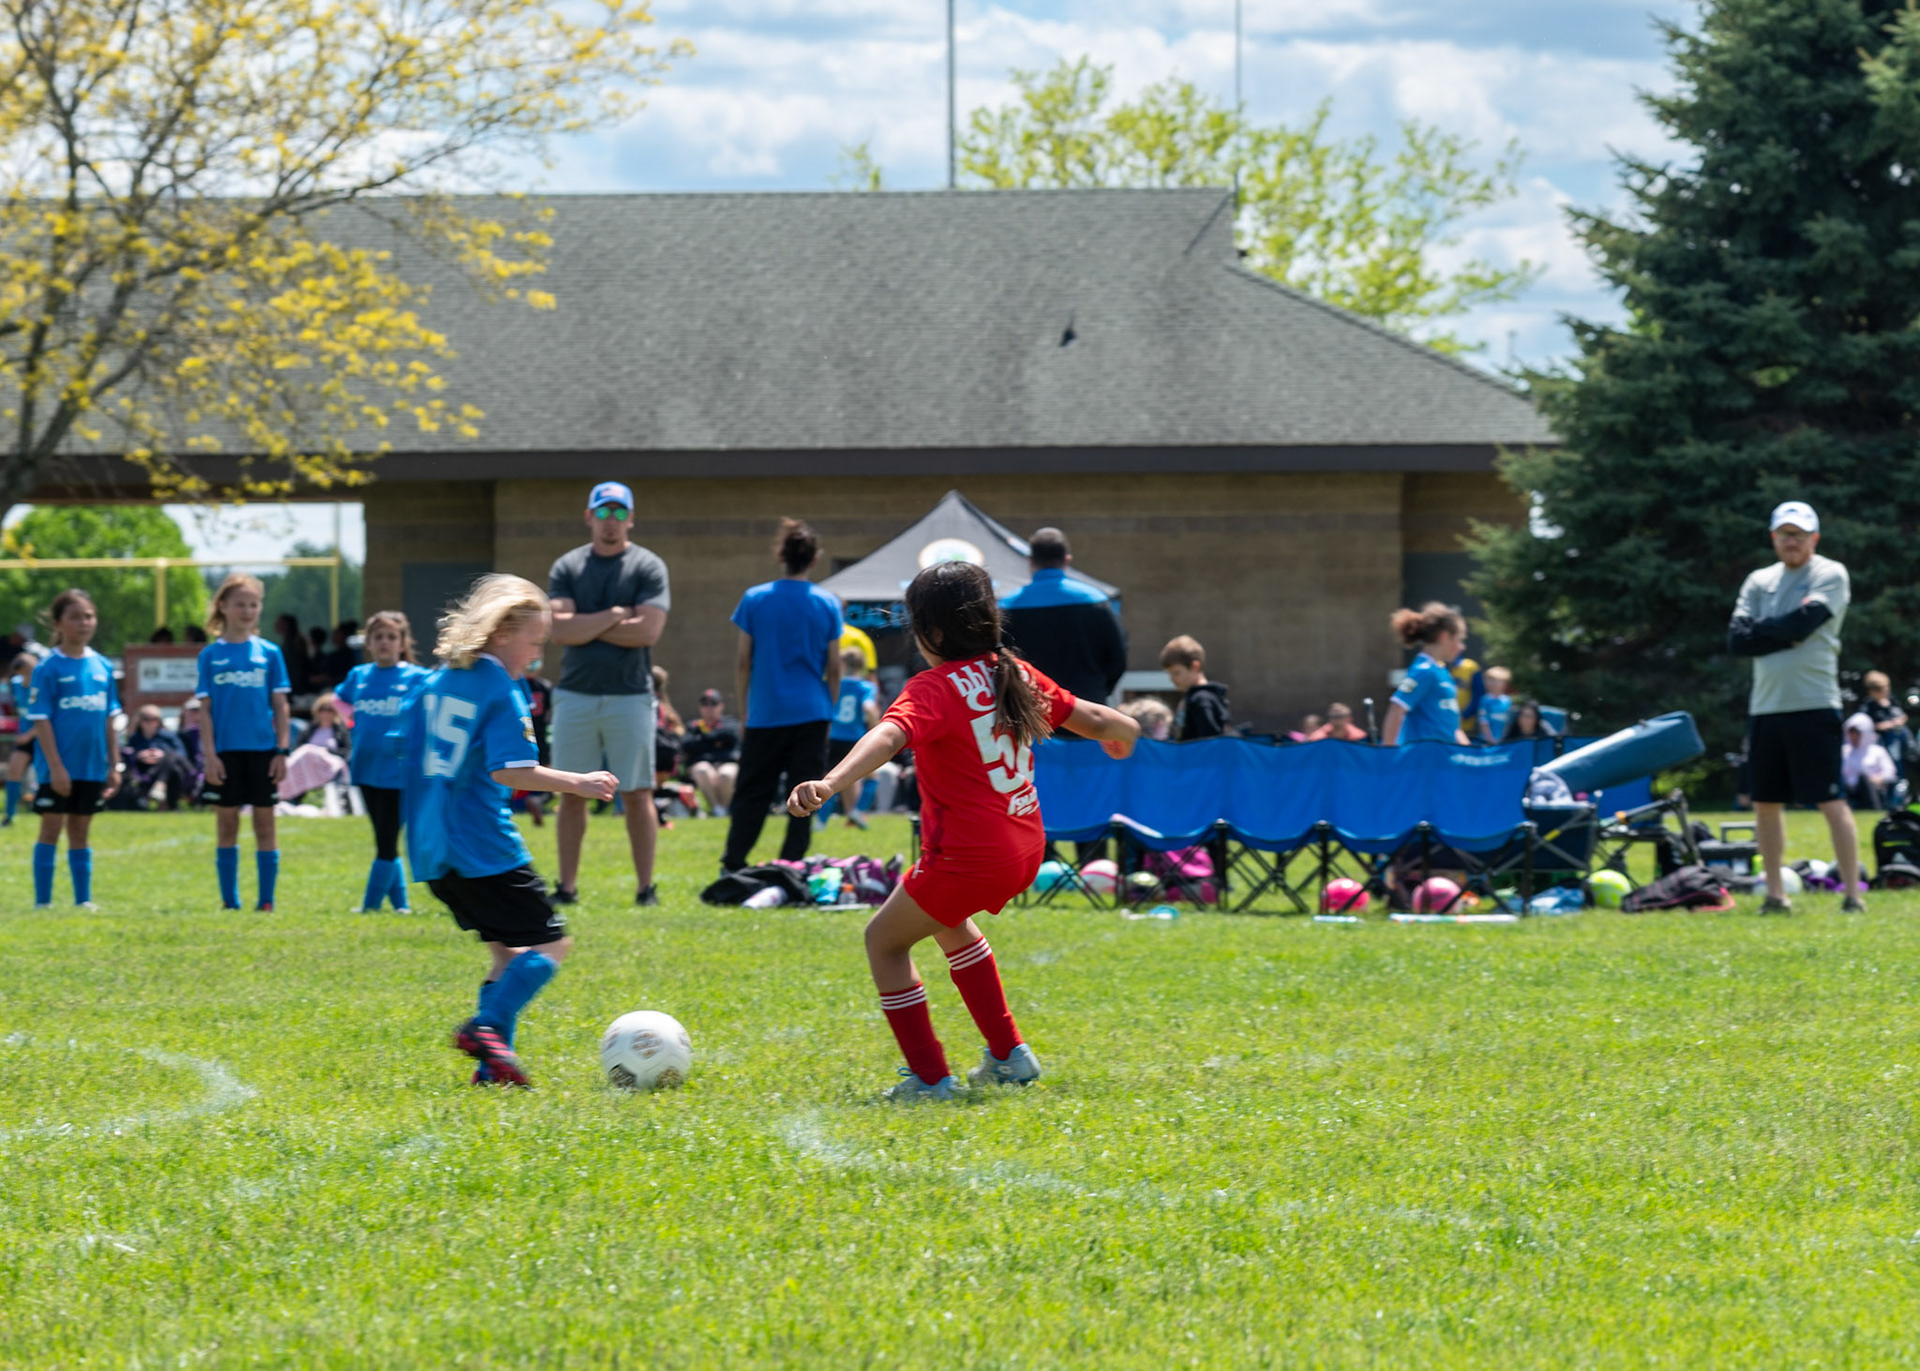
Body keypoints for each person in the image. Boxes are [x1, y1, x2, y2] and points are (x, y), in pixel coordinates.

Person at [787, 560, 1140, 1099]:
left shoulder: (934, 687)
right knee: (949, 923)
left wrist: (830, 782)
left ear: (929, 633)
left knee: (883, 941)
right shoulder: (1013, 671)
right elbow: (1091, 719)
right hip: (1024, 847)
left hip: (971, 857)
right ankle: (1009, 1056)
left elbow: (886, 738)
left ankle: (930, 1079)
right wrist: (1126, 729)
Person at [400, 574, 618, 1088]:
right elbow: (509, 770)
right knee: (552, 944)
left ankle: (491, 1070)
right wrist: (577, 782)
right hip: (483, 845)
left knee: (506, 952)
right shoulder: (501, 686)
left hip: (433, 846)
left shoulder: (436, 682)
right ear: (501, 634)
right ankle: (487, 1028)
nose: (537, 656)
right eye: (534, 642)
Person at [1728, 500, 1862, 913]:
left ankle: (1854, 895)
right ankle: (1775, 894)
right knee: (1766, 801)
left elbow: (1805, 624)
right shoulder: (1758, 580)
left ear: (1814, 538)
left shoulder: (1829, 573)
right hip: (1766, 707)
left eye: (1799, 535)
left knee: (1830, 800)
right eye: (1785, 534)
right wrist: (1784, 632)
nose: (1792, 541)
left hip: (1814, 703)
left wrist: (1770, 632)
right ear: (1773, 538)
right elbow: (1737, 640)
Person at [546, 479, 672, 906]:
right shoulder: (567, 567)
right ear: (589, 517)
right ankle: (566, 888)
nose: (611, 521)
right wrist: (619, 615)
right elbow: (559, 630)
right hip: (575, 694)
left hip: (630, 696)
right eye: (604, 512)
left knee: (637, 792)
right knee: (571, 792)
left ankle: (645, 888)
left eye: (620, 513)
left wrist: (587, 625)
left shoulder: (648, 567)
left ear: (631, 519)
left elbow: (649, 631)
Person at [722, 518, 842, 872]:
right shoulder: (828, 603)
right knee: (806, 794)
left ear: (780, 556)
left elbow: (744, 661)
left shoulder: (755, 598)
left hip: (766, 711)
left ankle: (733, 862)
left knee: (753, 791)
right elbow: (834, 668)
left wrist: (745, 711)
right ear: (814, 559)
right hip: (812, 711)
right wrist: (829, 709)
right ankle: (791, 863)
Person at [199, 574, 293, 911]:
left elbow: (281, 706)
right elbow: (205, 711)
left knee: (265, 825)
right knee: (227, 825)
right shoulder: (210, 655)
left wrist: (282, 751)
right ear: (223, 606)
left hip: (263, 753)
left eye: (253, 604)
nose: (247, 610)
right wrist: (210, 755)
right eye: (240, 604)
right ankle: (230, 902)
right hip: (225, 754)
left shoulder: (269, 653)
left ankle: (266, 902)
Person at [25, 589, 120, 908]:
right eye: (75, 617)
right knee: (51, 826)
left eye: (89, 616)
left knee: (81, 828)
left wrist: (114, 764)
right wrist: (55, 767)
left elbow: (109, 718)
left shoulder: (103, 666)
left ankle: (83, 901)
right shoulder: (47, 667)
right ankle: (43, 902)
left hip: (92, 765)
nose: (84, 623)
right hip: (59, 766)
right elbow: (41, 720)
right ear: (58, 623)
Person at [336, 610, 430, 912]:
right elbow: (338, 701)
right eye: (378, 637)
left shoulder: (417, 677)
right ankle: (400, 905)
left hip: (398, 770)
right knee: (383, 836)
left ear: (403, 642)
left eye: (392, 637)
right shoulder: (358, 676)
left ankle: (371, 905)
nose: (385, 642)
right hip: (365, 766)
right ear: (369, 642)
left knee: (387, 839)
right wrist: (353, 724)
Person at [999, 527, 1127, 706]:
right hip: (1087, 710)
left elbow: (999, 662)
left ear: (1030, 561)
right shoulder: (1096, 601)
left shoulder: (1006, 607)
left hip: (1032, 714)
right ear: (1067, 560)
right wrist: (1097, 690)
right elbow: (1117, 659)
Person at [1382, 604, 1470, 746]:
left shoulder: (1442, 672)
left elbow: (1454, 728)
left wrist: (1469, 753)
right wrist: (1388, 753)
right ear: (1445, 637)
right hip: (1423, 760)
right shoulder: (1424, 671)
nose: (1462, 647)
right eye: (1460, 640)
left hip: (1444, 757)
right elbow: (1397, 709)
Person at [820, 645, 882, 829]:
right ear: (861, 666)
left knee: (830, 780)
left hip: (834, 737)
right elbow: (869, 707)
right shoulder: (866, 687)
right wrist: (876, 728)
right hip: (854, 739)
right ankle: (858, 811)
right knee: (872, 777)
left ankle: (820, 822)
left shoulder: (834, 685)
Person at [113, 704, 194, 810]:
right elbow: (129, 754)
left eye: (154, 719)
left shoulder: (169, 736)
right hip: (146, 770)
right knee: (174, 769)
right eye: (146, 719)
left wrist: (161, 755)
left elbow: (182, 755)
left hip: (172, 768)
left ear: (159, 721)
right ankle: (169, 804)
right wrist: (140, 755)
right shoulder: (135, 738)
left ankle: (161, 784)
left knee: (171, 756)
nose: (150, 722)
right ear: (140, 721)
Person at [679, 688, 741, 817]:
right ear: (700, 707)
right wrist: (716, 740)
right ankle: (717, 810)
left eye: (713, 703)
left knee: (725, 774)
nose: (709, 707)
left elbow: (730, 737)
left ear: (721, 706)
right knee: (704, 770)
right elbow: (687, 745)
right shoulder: (693, 726)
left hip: (727, 764)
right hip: (701, 766)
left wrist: (703, 739)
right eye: (705, 704)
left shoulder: (731, 723)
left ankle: (724, 808)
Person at [1160, 636, 1231, 741]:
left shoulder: (1202, 700)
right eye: (1170, 674)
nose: (1172, 679)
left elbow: (1208, 741)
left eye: (1176, 673)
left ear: (1195, 667)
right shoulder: (1191, 697)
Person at [1862, 670, 1911, 782]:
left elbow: (1904, 715)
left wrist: (1900, 721)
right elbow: (1866, 726)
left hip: (1902, 739)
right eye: (1880, 688)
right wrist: (1890, 724)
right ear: (1872, 691)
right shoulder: (1868, 705)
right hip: (1883, 742)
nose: (1885, 690)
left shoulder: (1892, 700)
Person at [6, 651, 36, 824]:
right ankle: (10, 815)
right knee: (14, 770)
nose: (26, 676)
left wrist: (29, 734)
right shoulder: (16, 685)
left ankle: (46, 808)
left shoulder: (41, 685)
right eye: (23, 672)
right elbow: (20, 711)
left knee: (45, 774)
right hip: (24, 736)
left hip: (42, 737)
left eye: (29, 671)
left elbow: (47, 717)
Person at [1843, 713, 1898, 810]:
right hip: (1848, 791)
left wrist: (1879, 778)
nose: (1853, 736)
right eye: (1850, 732)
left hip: (1871, 791)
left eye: (1856, 733)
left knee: (1864, 780)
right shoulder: (1844, 751)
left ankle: (1873, 809)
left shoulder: (1877, 751)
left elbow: (1890, 772)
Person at [1476, 667, 1514, 743]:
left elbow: (1508, 722)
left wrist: (1505, 738)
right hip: (1486, 741)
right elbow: (1483, 722)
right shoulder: (1484, 700)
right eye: (1489, 680)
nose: (1492, 684)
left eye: (1496, 681)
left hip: (1502, 741)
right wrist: (1490, 739)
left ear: (1504, 683)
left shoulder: (1507, 701)